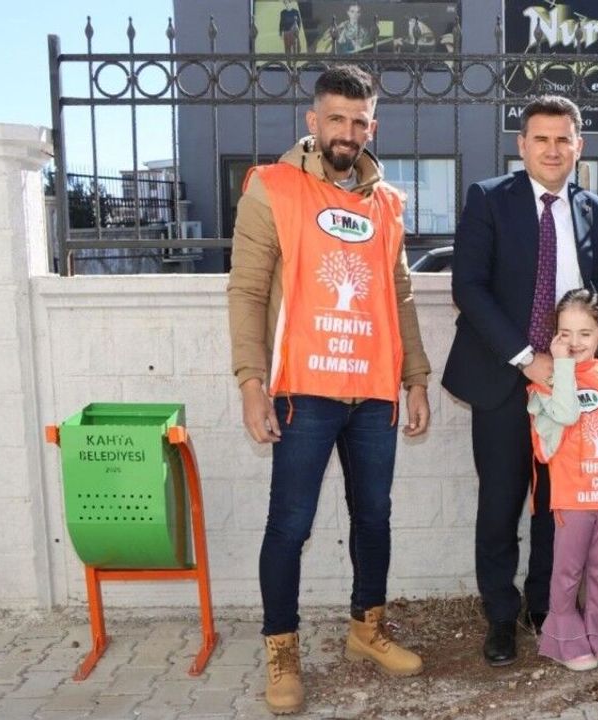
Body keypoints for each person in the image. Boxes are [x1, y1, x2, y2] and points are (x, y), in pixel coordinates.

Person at [227, 65, 431, 715]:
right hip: (302, 391)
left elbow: (400, 295)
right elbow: (247, 291)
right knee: (289, 524)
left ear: (374, 126)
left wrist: (416, 378)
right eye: (336, 118)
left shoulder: (388, 203)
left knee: (374, 517)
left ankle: (366, 630)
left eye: (359, 120)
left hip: (374, 393)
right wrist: (251, 383)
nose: (348, 130)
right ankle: (281, 650)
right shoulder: (271, 187)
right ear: (313, 122)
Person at [442, 95, 598, 668]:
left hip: (575, 386)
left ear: (579, 146)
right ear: (522, 145)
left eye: (563, 139)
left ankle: (546, 607)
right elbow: (468, 286)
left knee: (561, 505)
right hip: (505, 376)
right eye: (541, 139)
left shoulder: (596, 208)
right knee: (501, 501)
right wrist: (527, 358)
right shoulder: (488, 198)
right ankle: (501, 617)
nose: (552, 149)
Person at [528, 289, 598, 672]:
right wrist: (561, 366)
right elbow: (566, 413)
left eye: (585, 333)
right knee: (568, 569)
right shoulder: (547, 378)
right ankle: (562, 632)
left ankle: (597, 623)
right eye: (565, 333)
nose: (575, 342)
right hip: (574, 495)